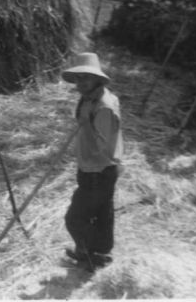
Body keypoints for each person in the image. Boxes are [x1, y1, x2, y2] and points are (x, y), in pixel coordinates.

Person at [62, 52, 123, 271]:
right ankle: (98, 253)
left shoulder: (104, 106)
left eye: (85, 78)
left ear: (97, 79)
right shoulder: (90, 97)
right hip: (92, 168)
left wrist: (86, 124)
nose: (80, 83)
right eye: (78, 78)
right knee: (101, 214)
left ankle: (86, 253)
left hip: (98, 170)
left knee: (74, 219)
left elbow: (101, 148)